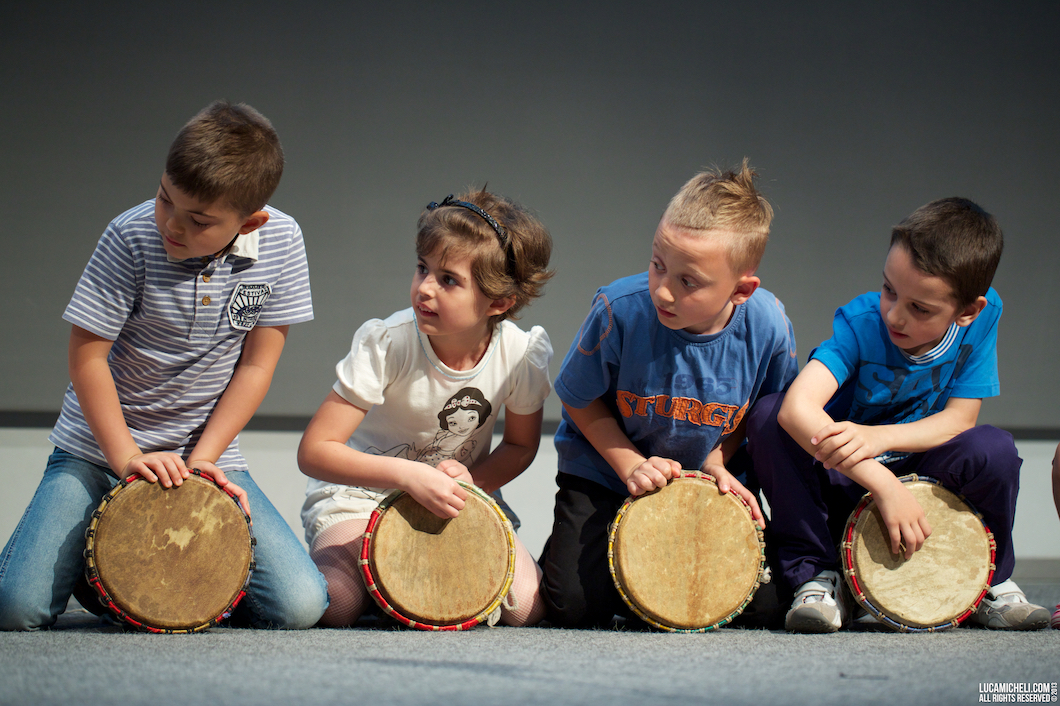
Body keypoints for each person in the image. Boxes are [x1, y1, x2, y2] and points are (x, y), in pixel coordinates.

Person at [0, 101, 328, 630]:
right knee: (15, 609)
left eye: (198, 220)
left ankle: (127, 570)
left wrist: (204, 459)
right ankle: (97, 563)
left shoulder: (283, 241)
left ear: (250, 222)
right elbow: (87, 358)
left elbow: (256, 367)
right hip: (98, 450)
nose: (171, 224)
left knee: (300, 607)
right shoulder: (129, 236)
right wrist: (126, 458)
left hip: (201, 452)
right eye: (163, 198)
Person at [747, 197, 1050, 632]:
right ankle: (816, 576)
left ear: (968, 311)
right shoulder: (862, 322)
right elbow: (797, 409)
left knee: (994, 449)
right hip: (844, 474)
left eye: (919, 308)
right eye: (889, 289)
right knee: (769, 415)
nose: (894, 314)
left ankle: (986, 581)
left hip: (916, 471)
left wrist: (881, 438)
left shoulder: (985, 318)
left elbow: (960, 419)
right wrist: (881, 480)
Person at [538, 161, 798, 628]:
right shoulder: (619, 309)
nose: (663, 291)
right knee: (572, 607)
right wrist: (630, 465)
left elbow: (766, 412)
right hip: (608, 474)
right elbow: (577, 397)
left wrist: (718, 458)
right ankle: (580, 557)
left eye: (687, 281)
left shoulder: (769, 326)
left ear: (741, 290)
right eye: (658, 265)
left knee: (764, 608)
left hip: (710, 481)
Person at [298, 189, 554, 627]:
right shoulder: (389, 342)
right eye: (422, 268)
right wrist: (408, 476)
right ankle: (384, 585)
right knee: (336, 604)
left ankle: (402, 585)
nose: (424, 288)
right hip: (364, 497)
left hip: (453, 499)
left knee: (529, 608)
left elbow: (519, 446)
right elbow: (315, 450)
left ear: (498, 302)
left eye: (448, 279)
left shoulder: (520, 354)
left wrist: (473, 481)